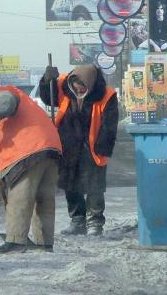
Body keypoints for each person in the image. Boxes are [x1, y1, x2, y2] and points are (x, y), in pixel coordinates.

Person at [0, 85, 62, 254]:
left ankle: (16, 241)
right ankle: (44, 243)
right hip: (51, 148)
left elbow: (6, 103)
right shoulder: (26, 103)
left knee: (20, 197)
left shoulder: (1, 92)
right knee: (44, 199)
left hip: (29, 152)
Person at [39, 64, 119, 236]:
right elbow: (48, 98)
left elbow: (110, 124)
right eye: (76, 86)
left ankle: (95, 221)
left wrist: (103, 145)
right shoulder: (63, 86)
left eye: (82, 87)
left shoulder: (106, 95)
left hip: (93, 146)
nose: (78, 89)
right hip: (68, 145)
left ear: (90, 84)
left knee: (94, 186)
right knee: (71, 184)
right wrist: (47, 81)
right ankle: (77, 220)